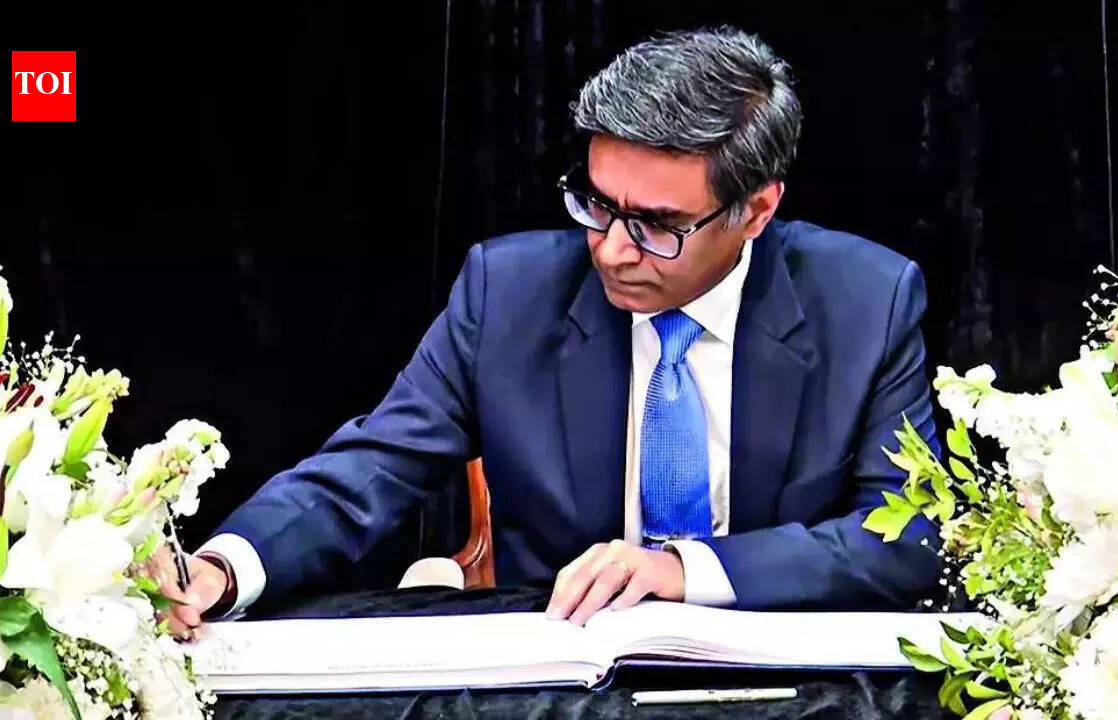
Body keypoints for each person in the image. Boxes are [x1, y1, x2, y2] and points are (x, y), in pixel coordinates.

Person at [153, 27, 941, 639]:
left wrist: (687, 570)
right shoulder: (508, 293)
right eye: (597, 204)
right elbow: (371, 468)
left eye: (657, 224)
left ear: (757, 211)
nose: (612, 249)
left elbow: (909, 535)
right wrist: (224, 567)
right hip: (559, 677)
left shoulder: (866, 301)